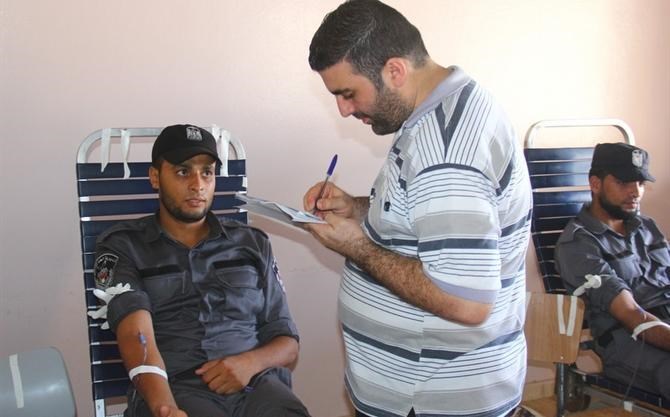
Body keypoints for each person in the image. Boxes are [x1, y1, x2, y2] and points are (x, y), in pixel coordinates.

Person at [302, 1, 532, 416]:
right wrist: (356, 208)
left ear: (395, 71)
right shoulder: (441, 109)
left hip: (433, 398)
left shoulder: (445, 150)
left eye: (348, 93)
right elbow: (423, 218)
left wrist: (356, 247)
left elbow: (465, 301)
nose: (344, 109)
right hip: (420, 389)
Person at [90, 124, 311, 417]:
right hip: (174, 387)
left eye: (207, 172)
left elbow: (287, 343)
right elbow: (134, 335)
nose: (198, 184)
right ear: (155, 177)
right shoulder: (121, 246)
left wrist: (249, 363)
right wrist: (165, 408)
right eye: (183, 171)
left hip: (255, 384)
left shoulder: (252, 243)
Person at [555, 142, 670, 400]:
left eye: (640, 183)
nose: (635, 192)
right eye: (623, 182)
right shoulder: (578, 244)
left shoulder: (646, 227)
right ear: (595, 184)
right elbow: (631, 314)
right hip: (629, 341)